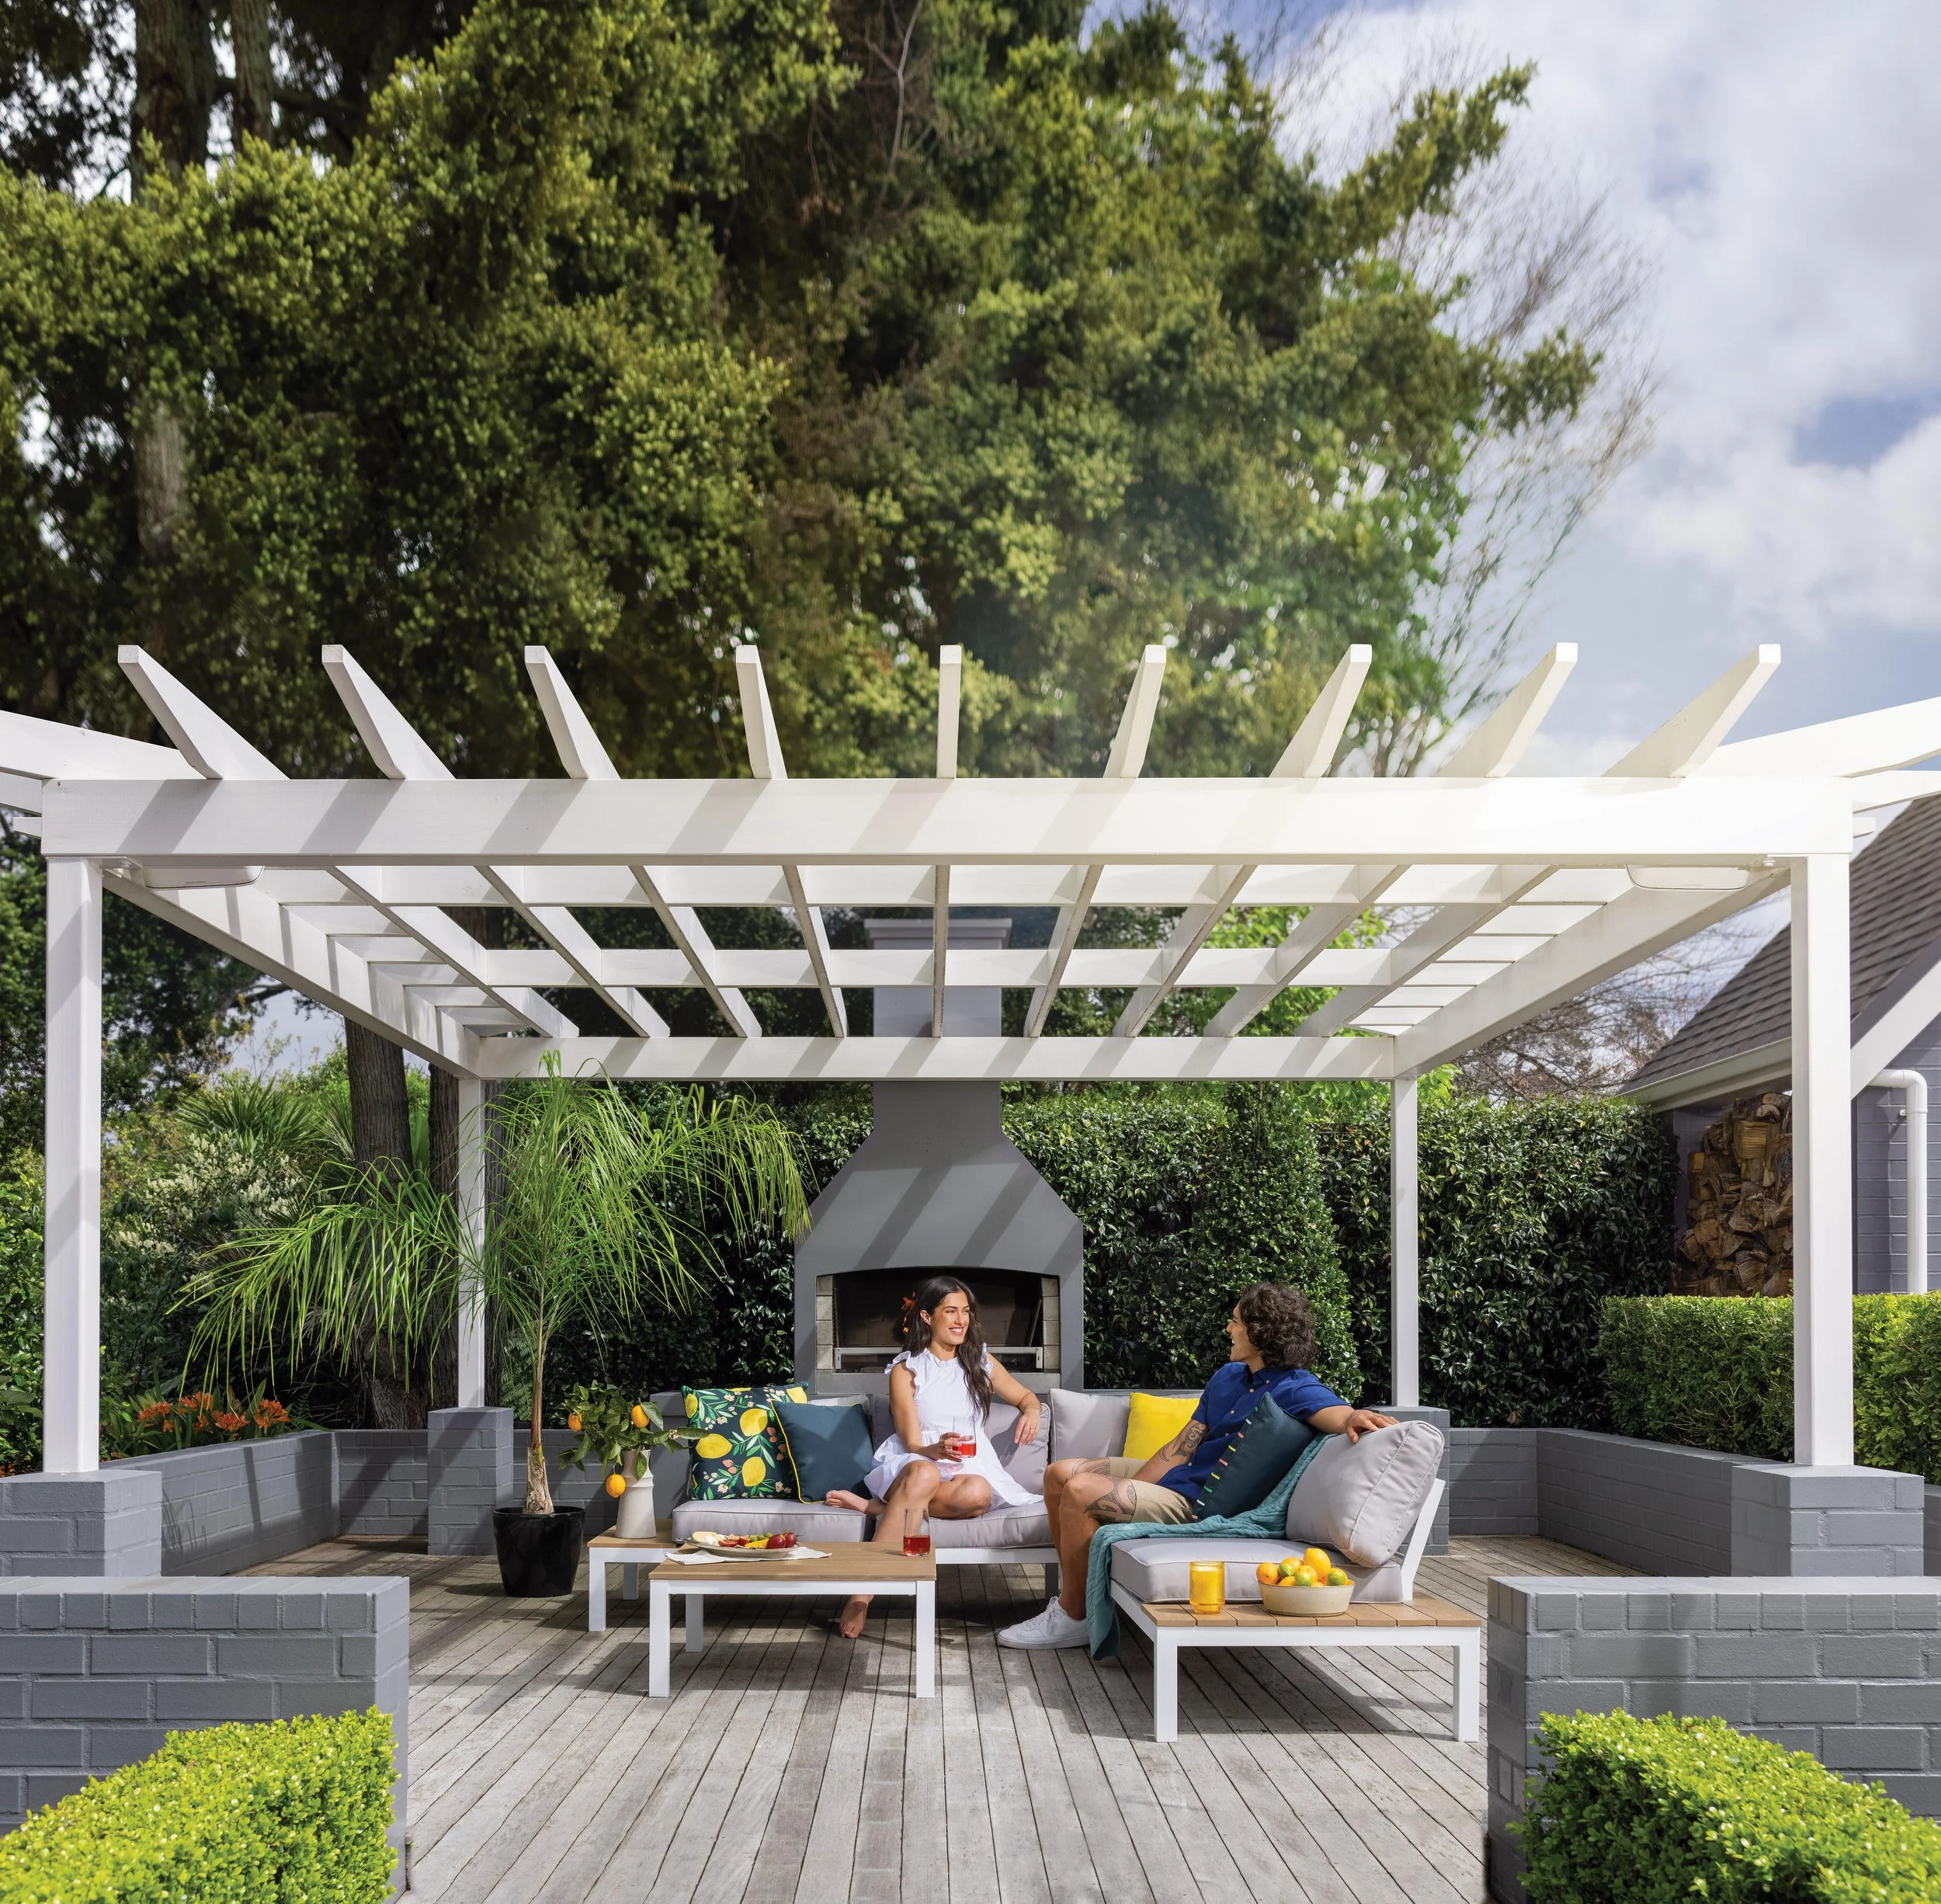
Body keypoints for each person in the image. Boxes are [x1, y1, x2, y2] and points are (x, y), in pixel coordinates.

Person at [996, 1281, 1396, 1650]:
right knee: (1060, 1473)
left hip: (1199, 1504)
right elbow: (1180, 1448)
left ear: (1261, 1333)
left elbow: (1337, 1413)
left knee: (1082, 1490)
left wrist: (1352, 1419)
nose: (1229, 1329)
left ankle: (1074, 1617)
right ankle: (1077, 1593)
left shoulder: (1296, 1387)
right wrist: (1133, 1491)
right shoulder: (1228, 1376)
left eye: (1237, 1322)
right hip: (1176, 1482)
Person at [827, 1275, 1043, 1638]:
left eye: (965, 1312)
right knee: (925, 1475)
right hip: (917, 1462)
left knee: (979, 1493)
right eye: (950, 1312)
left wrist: (1033, 1412)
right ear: (926, 1317)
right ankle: (862, 1596)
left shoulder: (981, 1362)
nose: (961, 1320)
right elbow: (911, 1441)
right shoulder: (906, 1370)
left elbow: (1027, 1397)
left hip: (966, 1467)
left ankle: (877, 1509)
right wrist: (934, 1450)